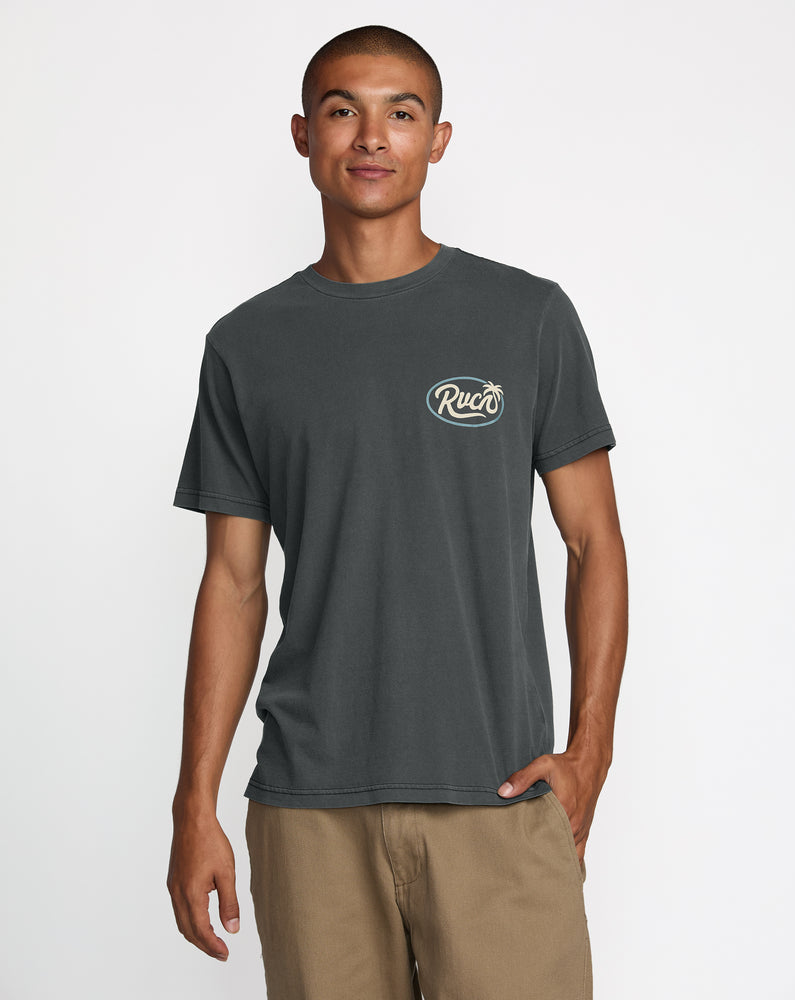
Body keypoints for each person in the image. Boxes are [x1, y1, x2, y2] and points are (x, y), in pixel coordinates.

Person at [167, 23, 628, 1000]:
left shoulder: (526, 317)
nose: (372, 136)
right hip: (310, 806)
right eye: (343, 110)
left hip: (498, 793)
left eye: (401, 113)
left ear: (437, 139)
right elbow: (233, 583)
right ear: (304, 134)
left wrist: (591, 752)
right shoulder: (245, 346)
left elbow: (592, 541)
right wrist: (192, 804)